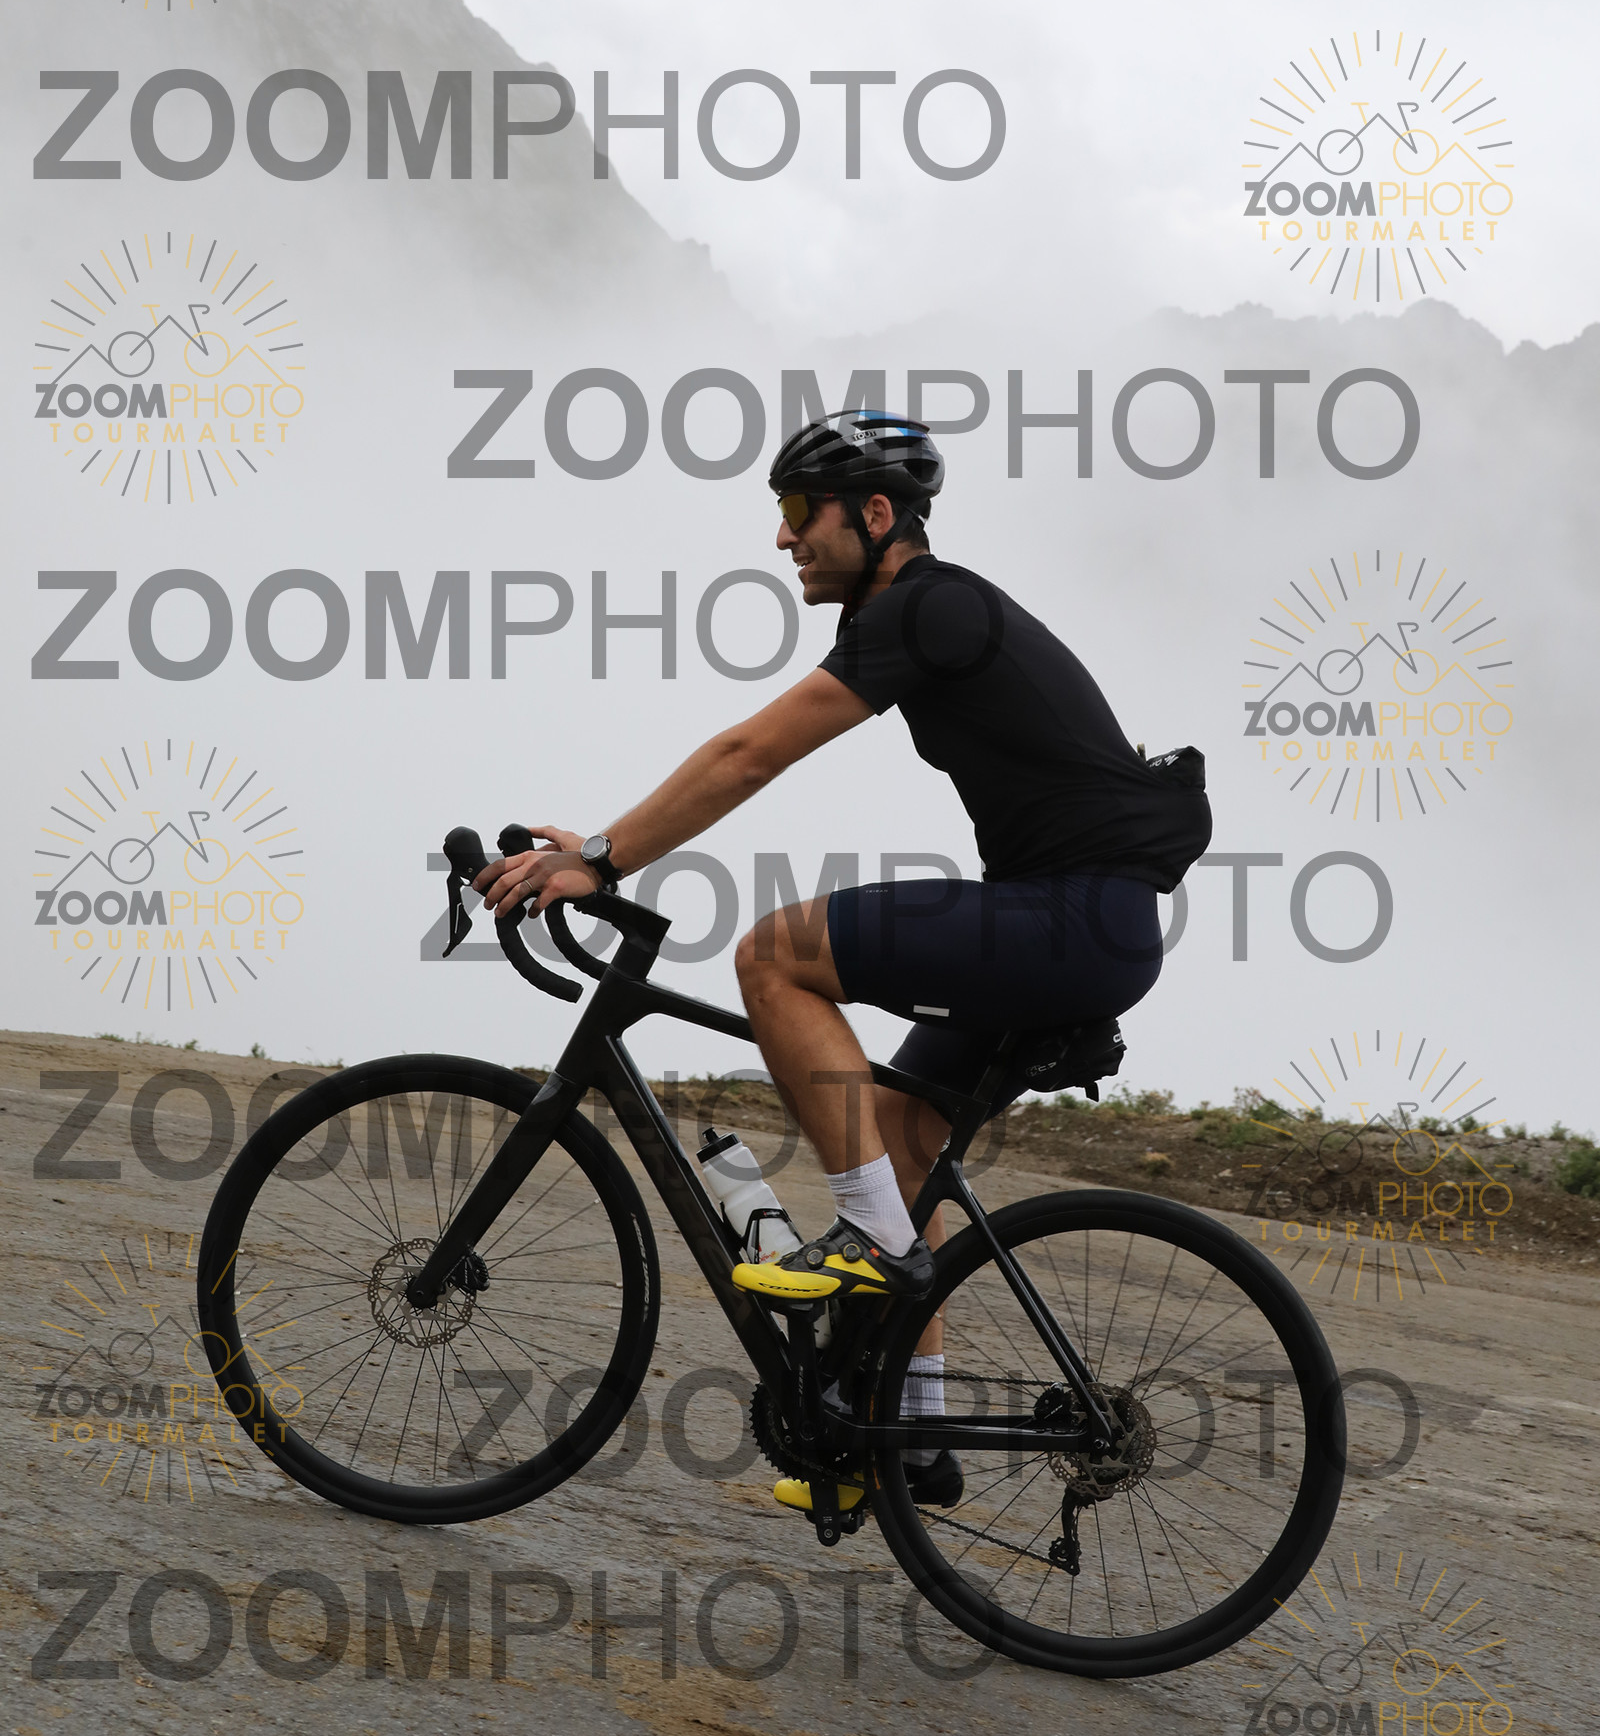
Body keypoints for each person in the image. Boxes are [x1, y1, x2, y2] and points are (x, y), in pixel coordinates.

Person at [478, 410, 1212, 1509]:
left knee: (775, 956)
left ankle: (871, 1242)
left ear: (876, 515)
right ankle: (913, 1440)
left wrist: (601, 858)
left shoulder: (929, 605)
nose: (783, 537)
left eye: (797, 510)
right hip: (1084, 923)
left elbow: (748, 754)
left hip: (1073, 918)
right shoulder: (922, 611)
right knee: (901, 1143)